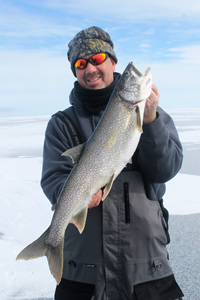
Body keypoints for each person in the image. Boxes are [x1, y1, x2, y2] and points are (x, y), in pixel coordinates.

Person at [41, 26, 184, 300]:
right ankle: (50, 242)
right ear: (75, 72)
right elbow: (54, 178)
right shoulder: (61, 124)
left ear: (112, 62)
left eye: (97, 59)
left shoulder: (149, 112)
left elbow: (165, 169)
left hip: (146, 269)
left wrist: (151, 122)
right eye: (81, 64)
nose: (90, 68)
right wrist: (78, 196)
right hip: (82, 273)